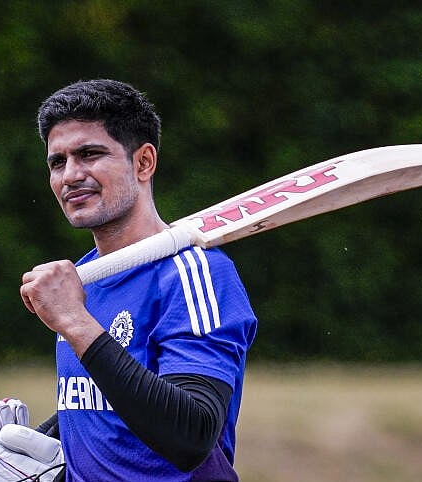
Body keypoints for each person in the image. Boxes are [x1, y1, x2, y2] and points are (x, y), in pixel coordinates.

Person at [18, 79, 257, 481]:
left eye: (90, 154)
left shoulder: (195, 274)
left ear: (143, 162)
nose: (71, 175)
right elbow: (109, 411)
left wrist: (76, 322)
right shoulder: (82, 280)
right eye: (57, 162)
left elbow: (191, 435)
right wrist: (31, 451)